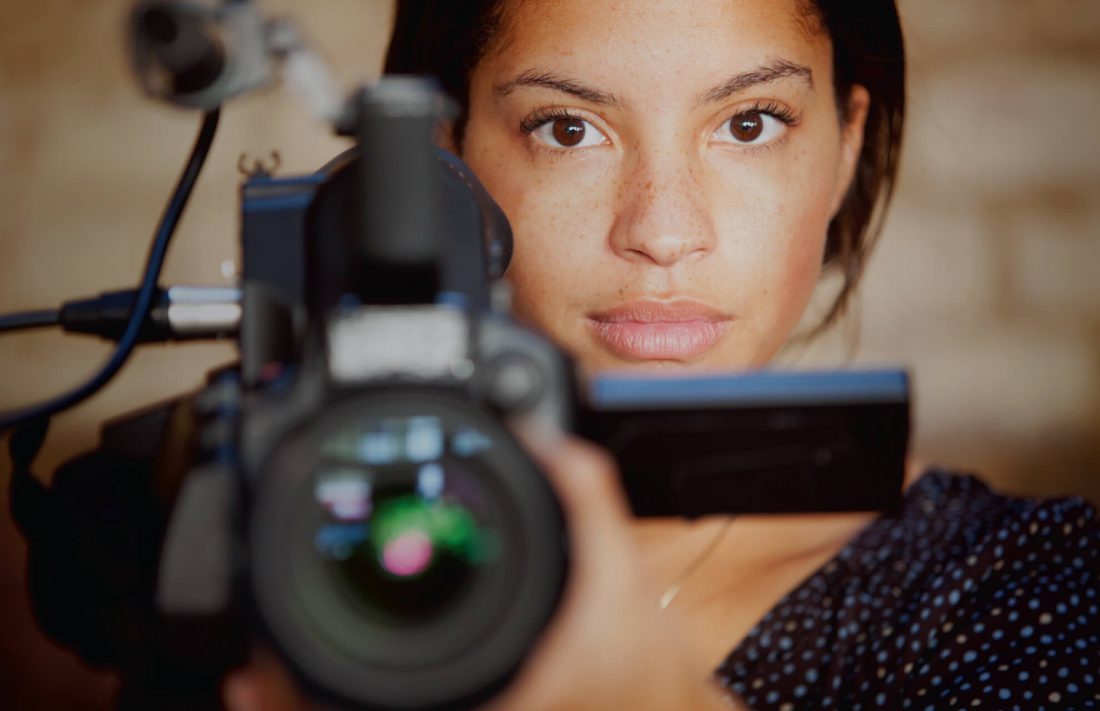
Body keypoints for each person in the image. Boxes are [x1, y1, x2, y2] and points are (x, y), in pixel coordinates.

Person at [224, 1, 1100, 708]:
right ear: (443, 161)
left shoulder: (1026, 593)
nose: (664, 231)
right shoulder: (271, 548)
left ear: (846, 146)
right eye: (567, 129)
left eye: (750, 123)